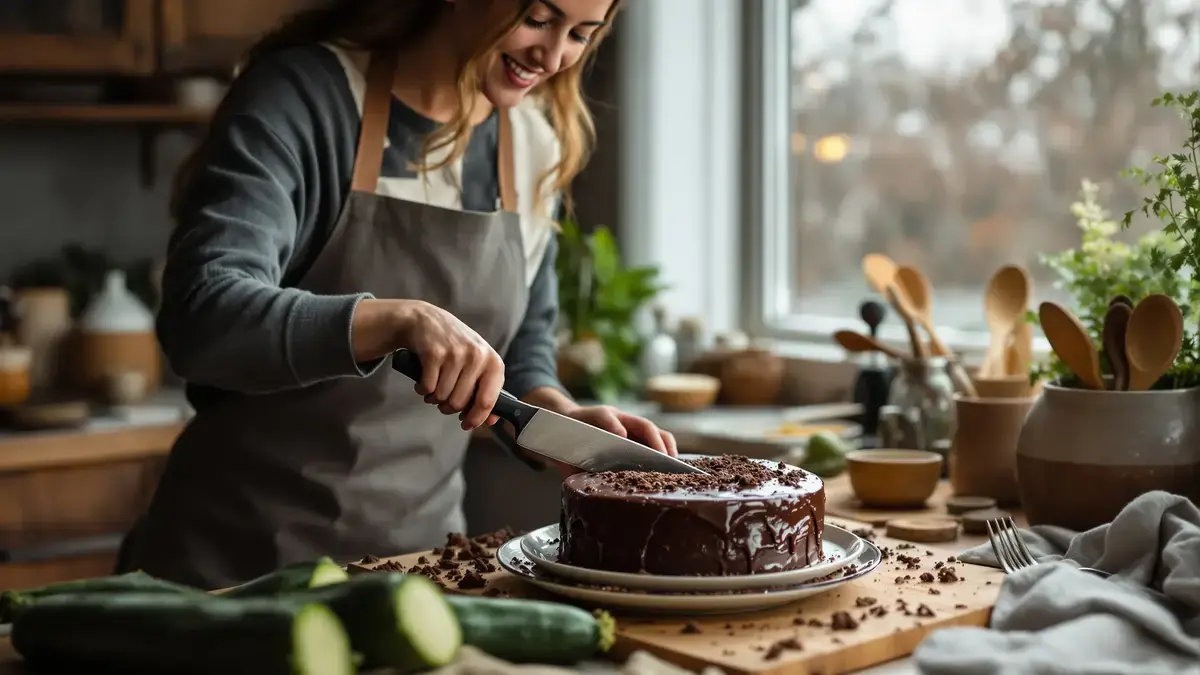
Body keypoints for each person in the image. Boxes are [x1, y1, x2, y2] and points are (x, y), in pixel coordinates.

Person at [120, 0, 677, 590]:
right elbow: (202, 313)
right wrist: (394, 319)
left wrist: (559, 417)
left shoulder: (533, 141)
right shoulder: (308, 98)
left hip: (416, 573)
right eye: (538, 19)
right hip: (232, 573)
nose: (554, 56)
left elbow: (521, 347)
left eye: (580, 35)